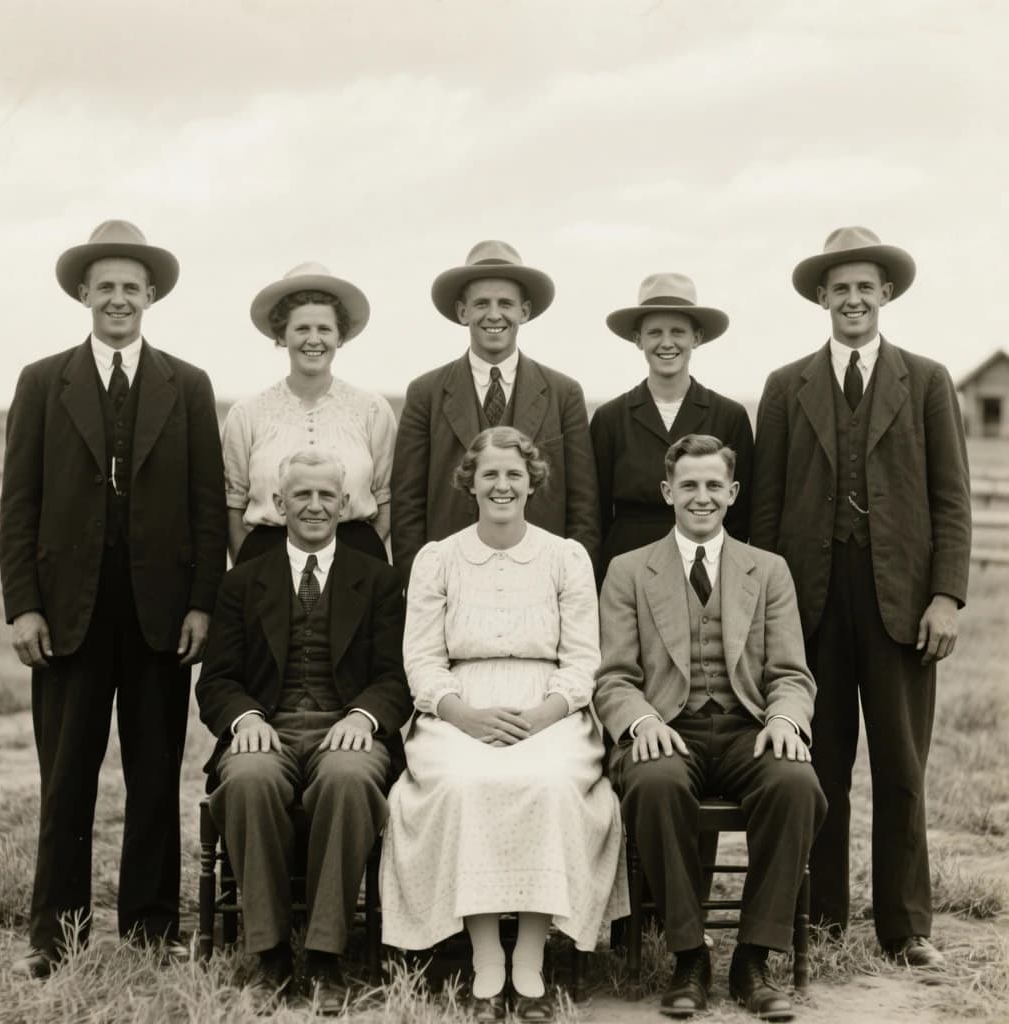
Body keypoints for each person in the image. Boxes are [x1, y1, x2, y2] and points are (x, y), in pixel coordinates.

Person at [0, 220, 226, 977]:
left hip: (161, 613)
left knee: (156, 774)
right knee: (67, 776)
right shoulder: (41, 381)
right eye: (106, 287)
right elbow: (20, 503)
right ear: (84, 296)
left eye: (133, 287)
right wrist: (23, 606)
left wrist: (201, 603)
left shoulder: (188, 386)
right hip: (69, 613)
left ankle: (152, 932)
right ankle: (54, 939)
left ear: (151, 295)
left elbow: (205, 505)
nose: (119, 299)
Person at [750, 227, 971, 968]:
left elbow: (951, 499)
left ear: (886, 295)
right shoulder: (786, 387)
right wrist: (769, 614)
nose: (852, 299)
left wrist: (946, 597)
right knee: (821, 766)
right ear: (821, 298)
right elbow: (766, 510)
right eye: (838, 287)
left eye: (864, 287)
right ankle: (820, 923)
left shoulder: (928, 380)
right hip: (810, 604)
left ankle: (907, 929)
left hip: (902, 603)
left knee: (902, 767)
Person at [382, 427, 626, 1023]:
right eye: (489, 474)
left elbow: (582, 659)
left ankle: (533, 960)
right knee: (466, 784)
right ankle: (488, 958)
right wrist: (461, 713)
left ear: (532, 482)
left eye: (514, 474)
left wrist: (544, 714)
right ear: (470, 482)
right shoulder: (438, 558)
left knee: (546, 783)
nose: (502, 485)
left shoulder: (565, 556)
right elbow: (421, 657)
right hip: (459, 707)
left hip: (549, 709)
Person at [594, 434, 825, 1021]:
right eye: (689, 486)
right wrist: (641, 720)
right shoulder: (628, 571)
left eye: (713, 486)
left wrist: (784, 720)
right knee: (654, 783)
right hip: (669, 726)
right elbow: (613, 677)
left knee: (796, 783)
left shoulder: (768, 570)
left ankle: (753, 959)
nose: (702, 497)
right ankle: (689, 955)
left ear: (733, 492)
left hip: (748, 726)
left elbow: (792, 673)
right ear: (668, 491)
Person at [196, 450, 410, 1013]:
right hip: (269, 727)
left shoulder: (380, 582)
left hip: (348, 731)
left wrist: (364, 717)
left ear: (344, 505)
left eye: (326, 496)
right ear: (279, 504)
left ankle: (324, 956)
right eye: (302, 496)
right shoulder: (243, 583)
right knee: (245, 779)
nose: (314, 506)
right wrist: (245, 719)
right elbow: (216, 680)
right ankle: (269, 956)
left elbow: (395, 677)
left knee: (349, 779)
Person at [390, 240, 600, 582]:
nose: (494, 315)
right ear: (462, 312)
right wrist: (420, 582)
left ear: (525, 311)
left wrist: (573, 579)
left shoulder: (564, 393)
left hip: (540, 577)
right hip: (450, 579)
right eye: (481, 304)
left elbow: (584, 507)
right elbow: (407, 506)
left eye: (506, 304)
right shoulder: (425, 393)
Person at [223, 262, 396, 564]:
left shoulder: (372, 410)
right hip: (266, 565)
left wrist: (363, 567)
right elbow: (233, 504)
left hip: (355, 564)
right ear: (281, 336)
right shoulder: (246, 414)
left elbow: (386, 498)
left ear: (340, 337)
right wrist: (250, 572)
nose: (313, 340)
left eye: (324, 329)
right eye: (302, 328)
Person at [590, 273, 753, 584]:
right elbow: (596, 516)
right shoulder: (610, 419)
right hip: (629, 570)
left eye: (678, 331)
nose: (667, 343)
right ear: (638, 340)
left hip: (707, 570)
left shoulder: (730, 416)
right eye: (654, 333)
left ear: (697, 337)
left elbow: (743, 517)